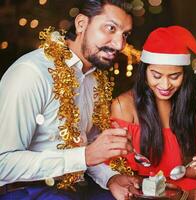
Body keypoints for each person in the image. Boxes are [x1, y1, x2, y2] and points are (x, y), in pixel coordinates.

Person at [0, 0, 139, 199]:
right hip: (26, 191)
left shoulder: (94, 77)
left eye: (124, 34)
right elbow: (3, 164)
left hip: (77, 187)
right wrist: (84, 156)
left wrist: (111, 178)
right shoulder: (31, 73)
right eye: (110, 28)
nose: (120, 44)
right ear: (81, 23)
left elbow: (90, 148)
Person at [110, 26, 196, 200]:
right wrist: (183, 196)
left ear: (184, 76)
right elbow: (119, 175)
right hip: (147, 193)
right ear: (145, 72)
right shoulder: (123, 106)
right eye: (156, 76)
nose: (165, 85)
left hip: (186, 188)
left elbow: (188, 169)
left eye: (174, 76)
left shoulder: (187, 107)